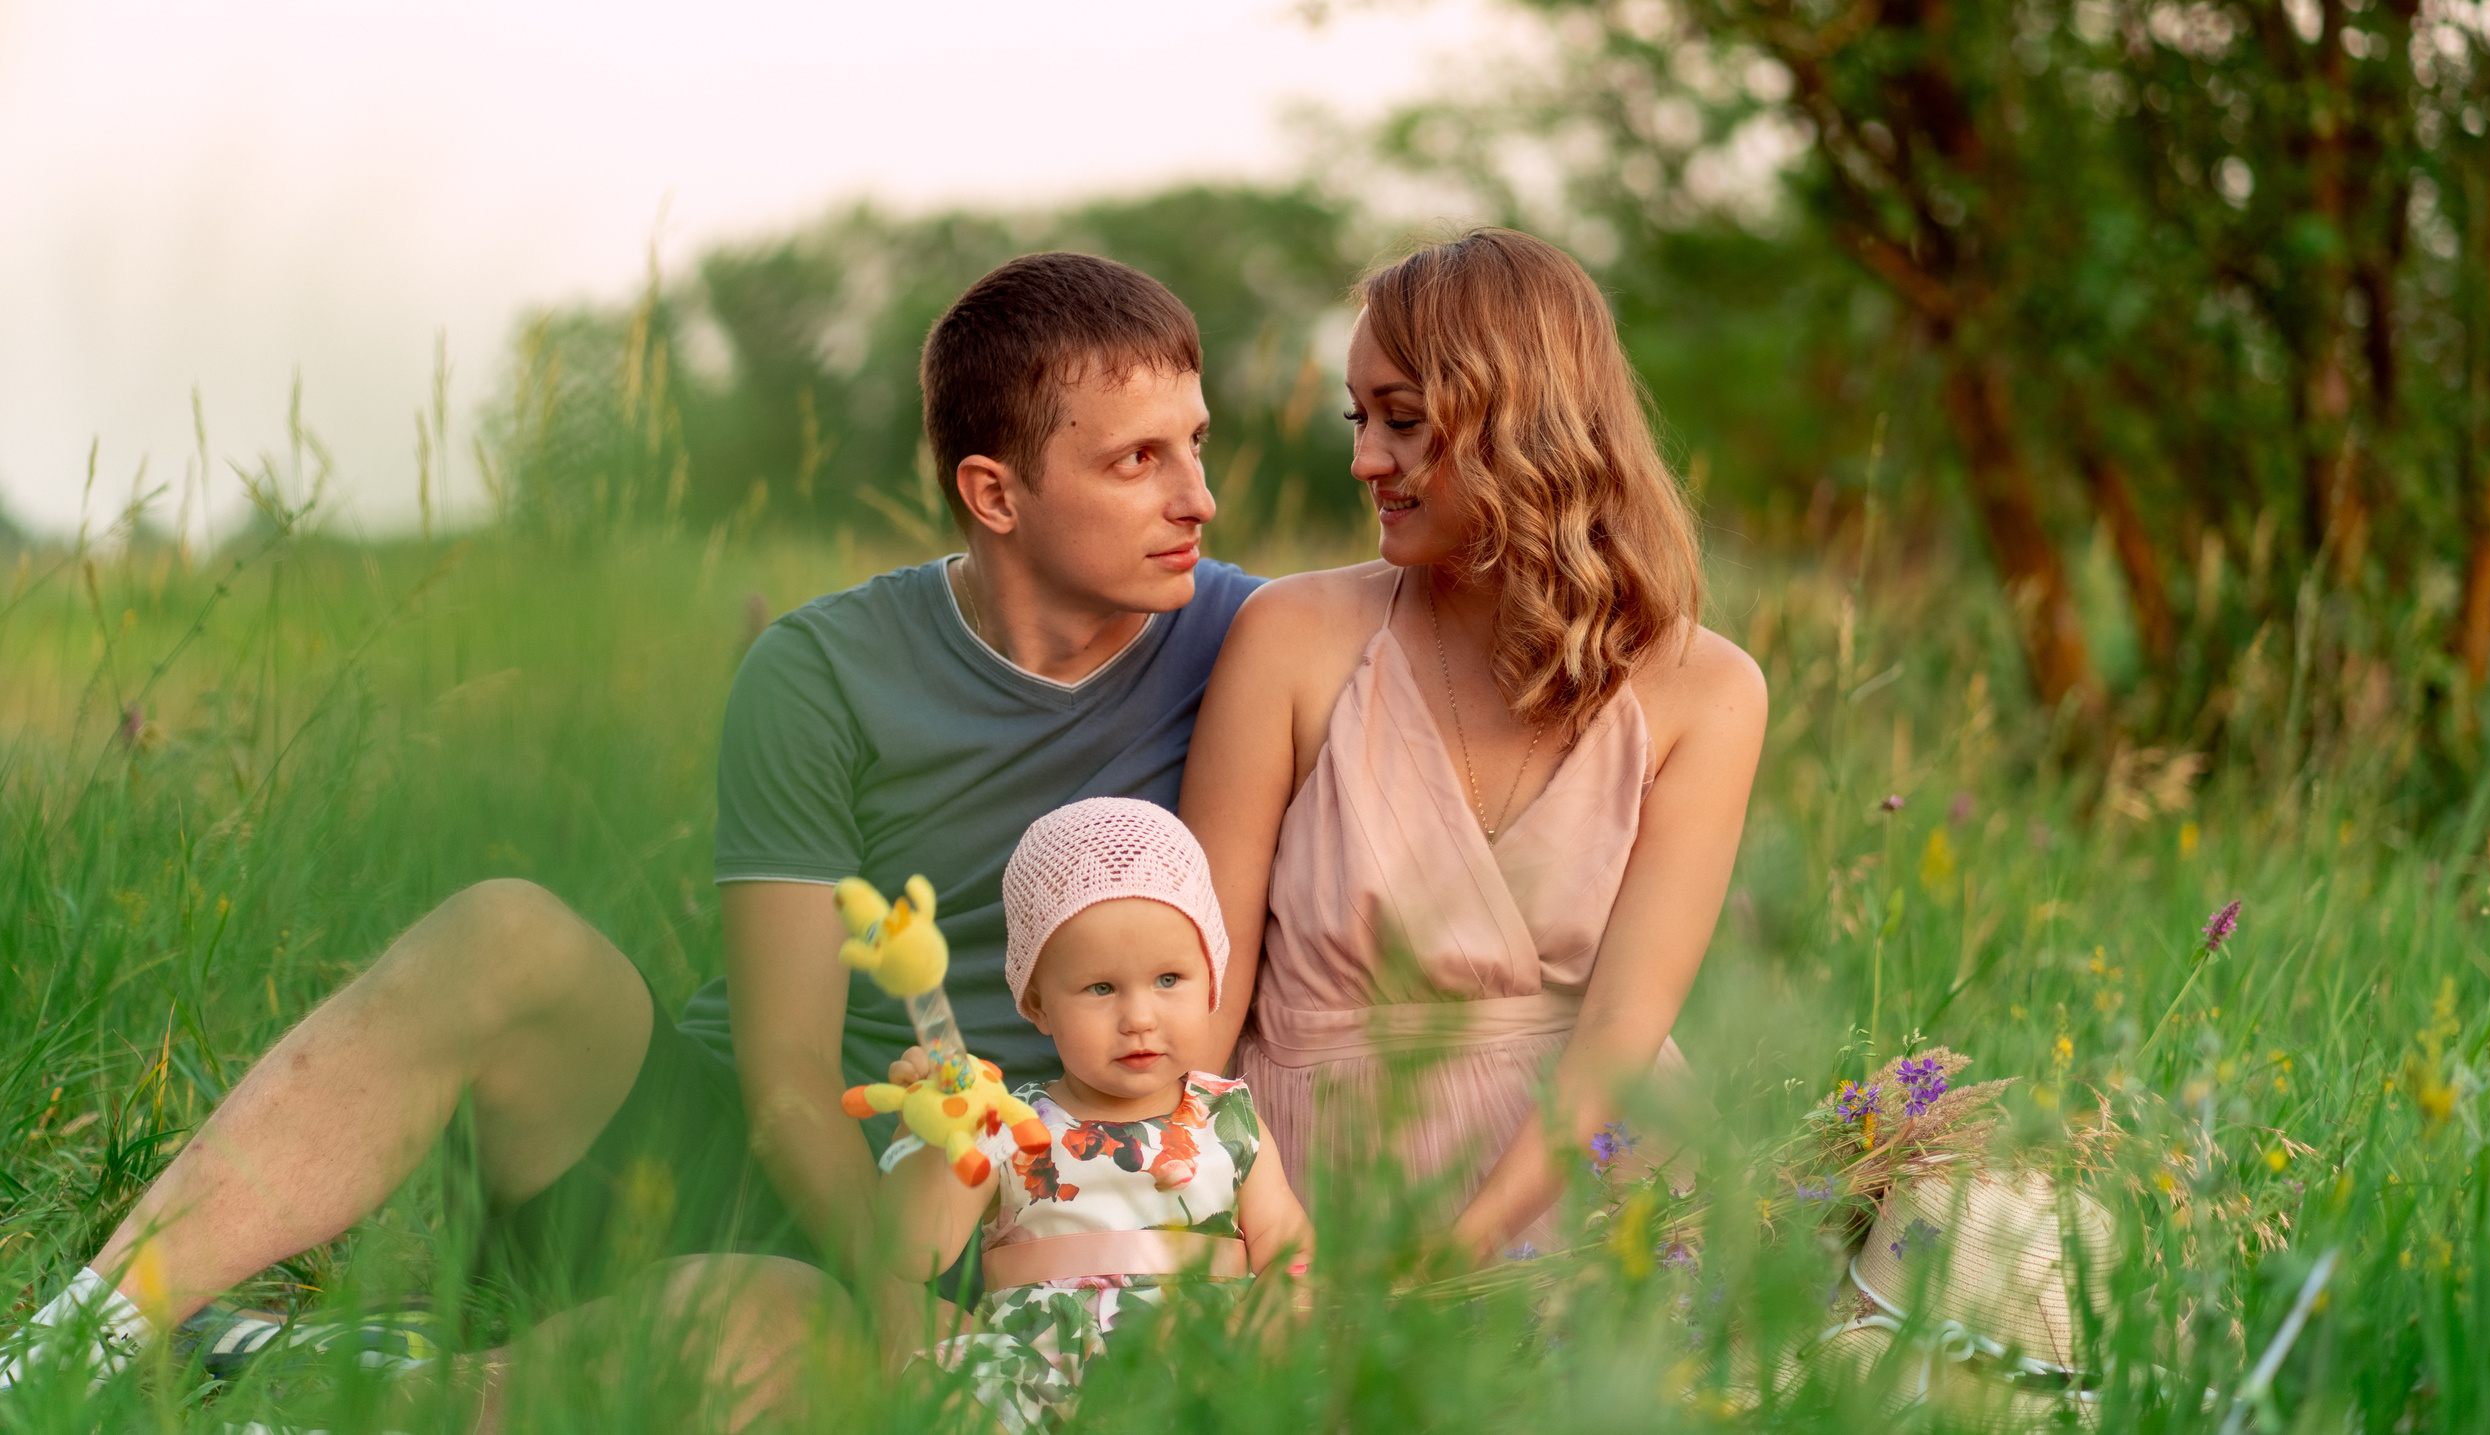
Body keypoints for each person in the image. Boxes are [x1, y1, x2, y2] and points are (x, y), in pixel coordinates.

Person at [2, 252, 1258, 1426]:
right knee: (503, 930)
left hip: (1002, 1211)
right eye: (1137, 460)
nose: (1196, 498)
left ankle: (322, 1385)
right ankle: (84, 1333)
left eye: (1195, 445)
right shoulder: (822, 668)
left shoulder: (1246, 643)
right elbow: (781, 1072)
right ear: (994, 491)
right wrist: (896, 1306)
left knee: (763, 1339)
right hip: (738, 1148)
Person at [1182, 228, 1768, 1262]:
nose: (1365, 459)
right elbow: (1200, 1006)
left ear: (1521, 421)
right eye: (1358, 419)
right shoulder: (1289, 638)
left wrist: (1454, 1261)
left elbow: (1619, 1040)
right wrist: (1217, 1226)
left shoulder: (1706, 692)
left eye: (1403, 422)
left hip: (1585, 1181)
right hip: (1306, 1193)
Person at [879, 798, 1309, 1432]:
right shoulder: (1006, 1122)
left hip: (1202, 1357)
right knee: (954, 1402)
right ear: (1038, 1003)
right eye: (1101, 988)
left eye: (1169, 979)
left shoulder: (1227, 1116)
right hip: (1042, 1367)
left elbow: (1290, 1247)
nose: (1139, 1016)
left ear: (1211, 979)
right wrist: (930, 1134)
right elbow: (914, 1252)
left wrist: (1278, 1305)